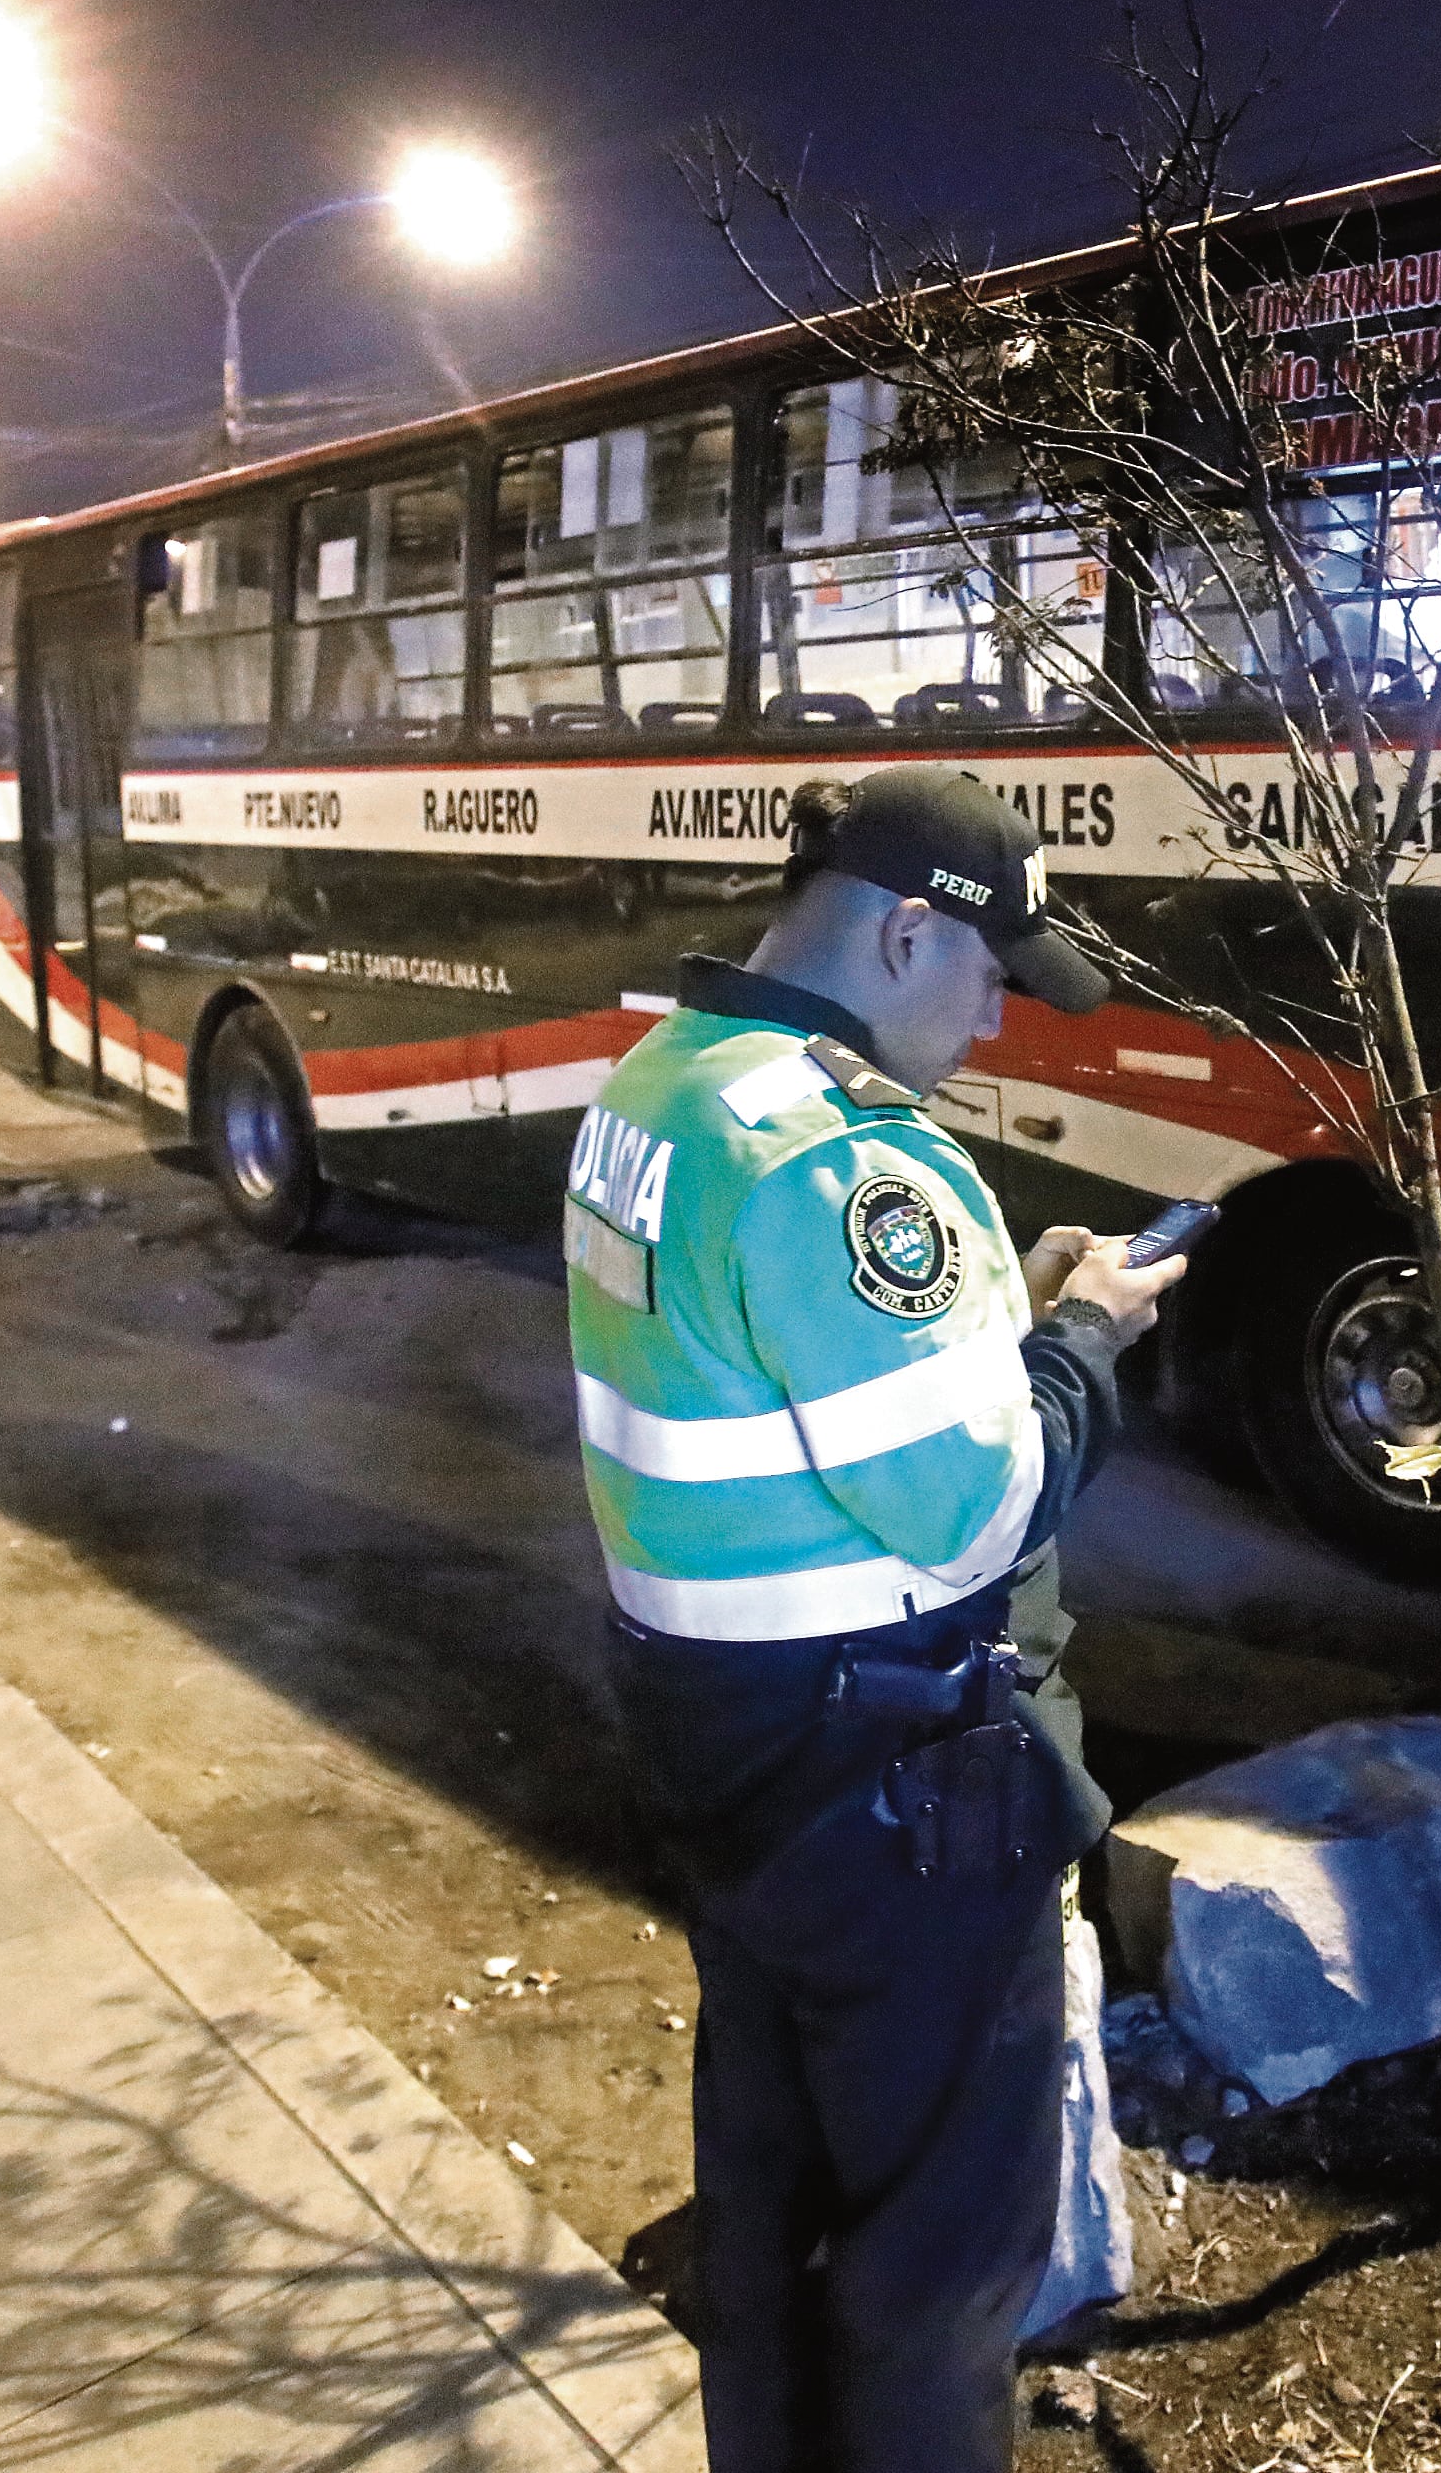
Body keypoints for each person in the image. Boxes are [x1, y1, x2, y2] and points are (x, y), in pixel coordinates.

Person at [572, 766, 1186, 2472]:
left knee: (770, 2211)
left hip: (729, 1754)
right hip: (897, 1792)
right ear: (906, 929)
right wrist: (1083, 1344)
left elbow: (796, 1393)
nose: (998, 1016)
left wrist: (1003, 1323)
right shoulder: (835, 1160)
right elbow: (972, 1504)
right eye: (989, 974)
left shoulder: (668, 1081)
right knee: (935, 2265)